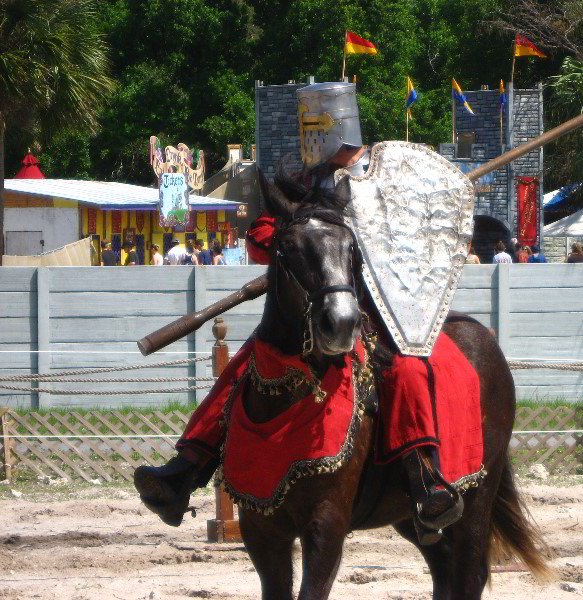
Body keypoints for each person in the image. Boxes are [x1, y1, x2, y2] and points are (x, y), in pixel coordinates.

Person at [133, 81, 462, 543]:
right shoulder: (303, 183)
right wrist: (292, 242)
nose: (317, 139)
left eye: (321, 126)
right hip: (310, 312)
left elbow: (409, 246)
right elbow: (261, 233)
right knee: (245, 368)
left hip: (372, 310)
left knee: (406, 370)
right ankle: (185, 468)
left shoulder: (383, 182)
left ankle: (425, 480)